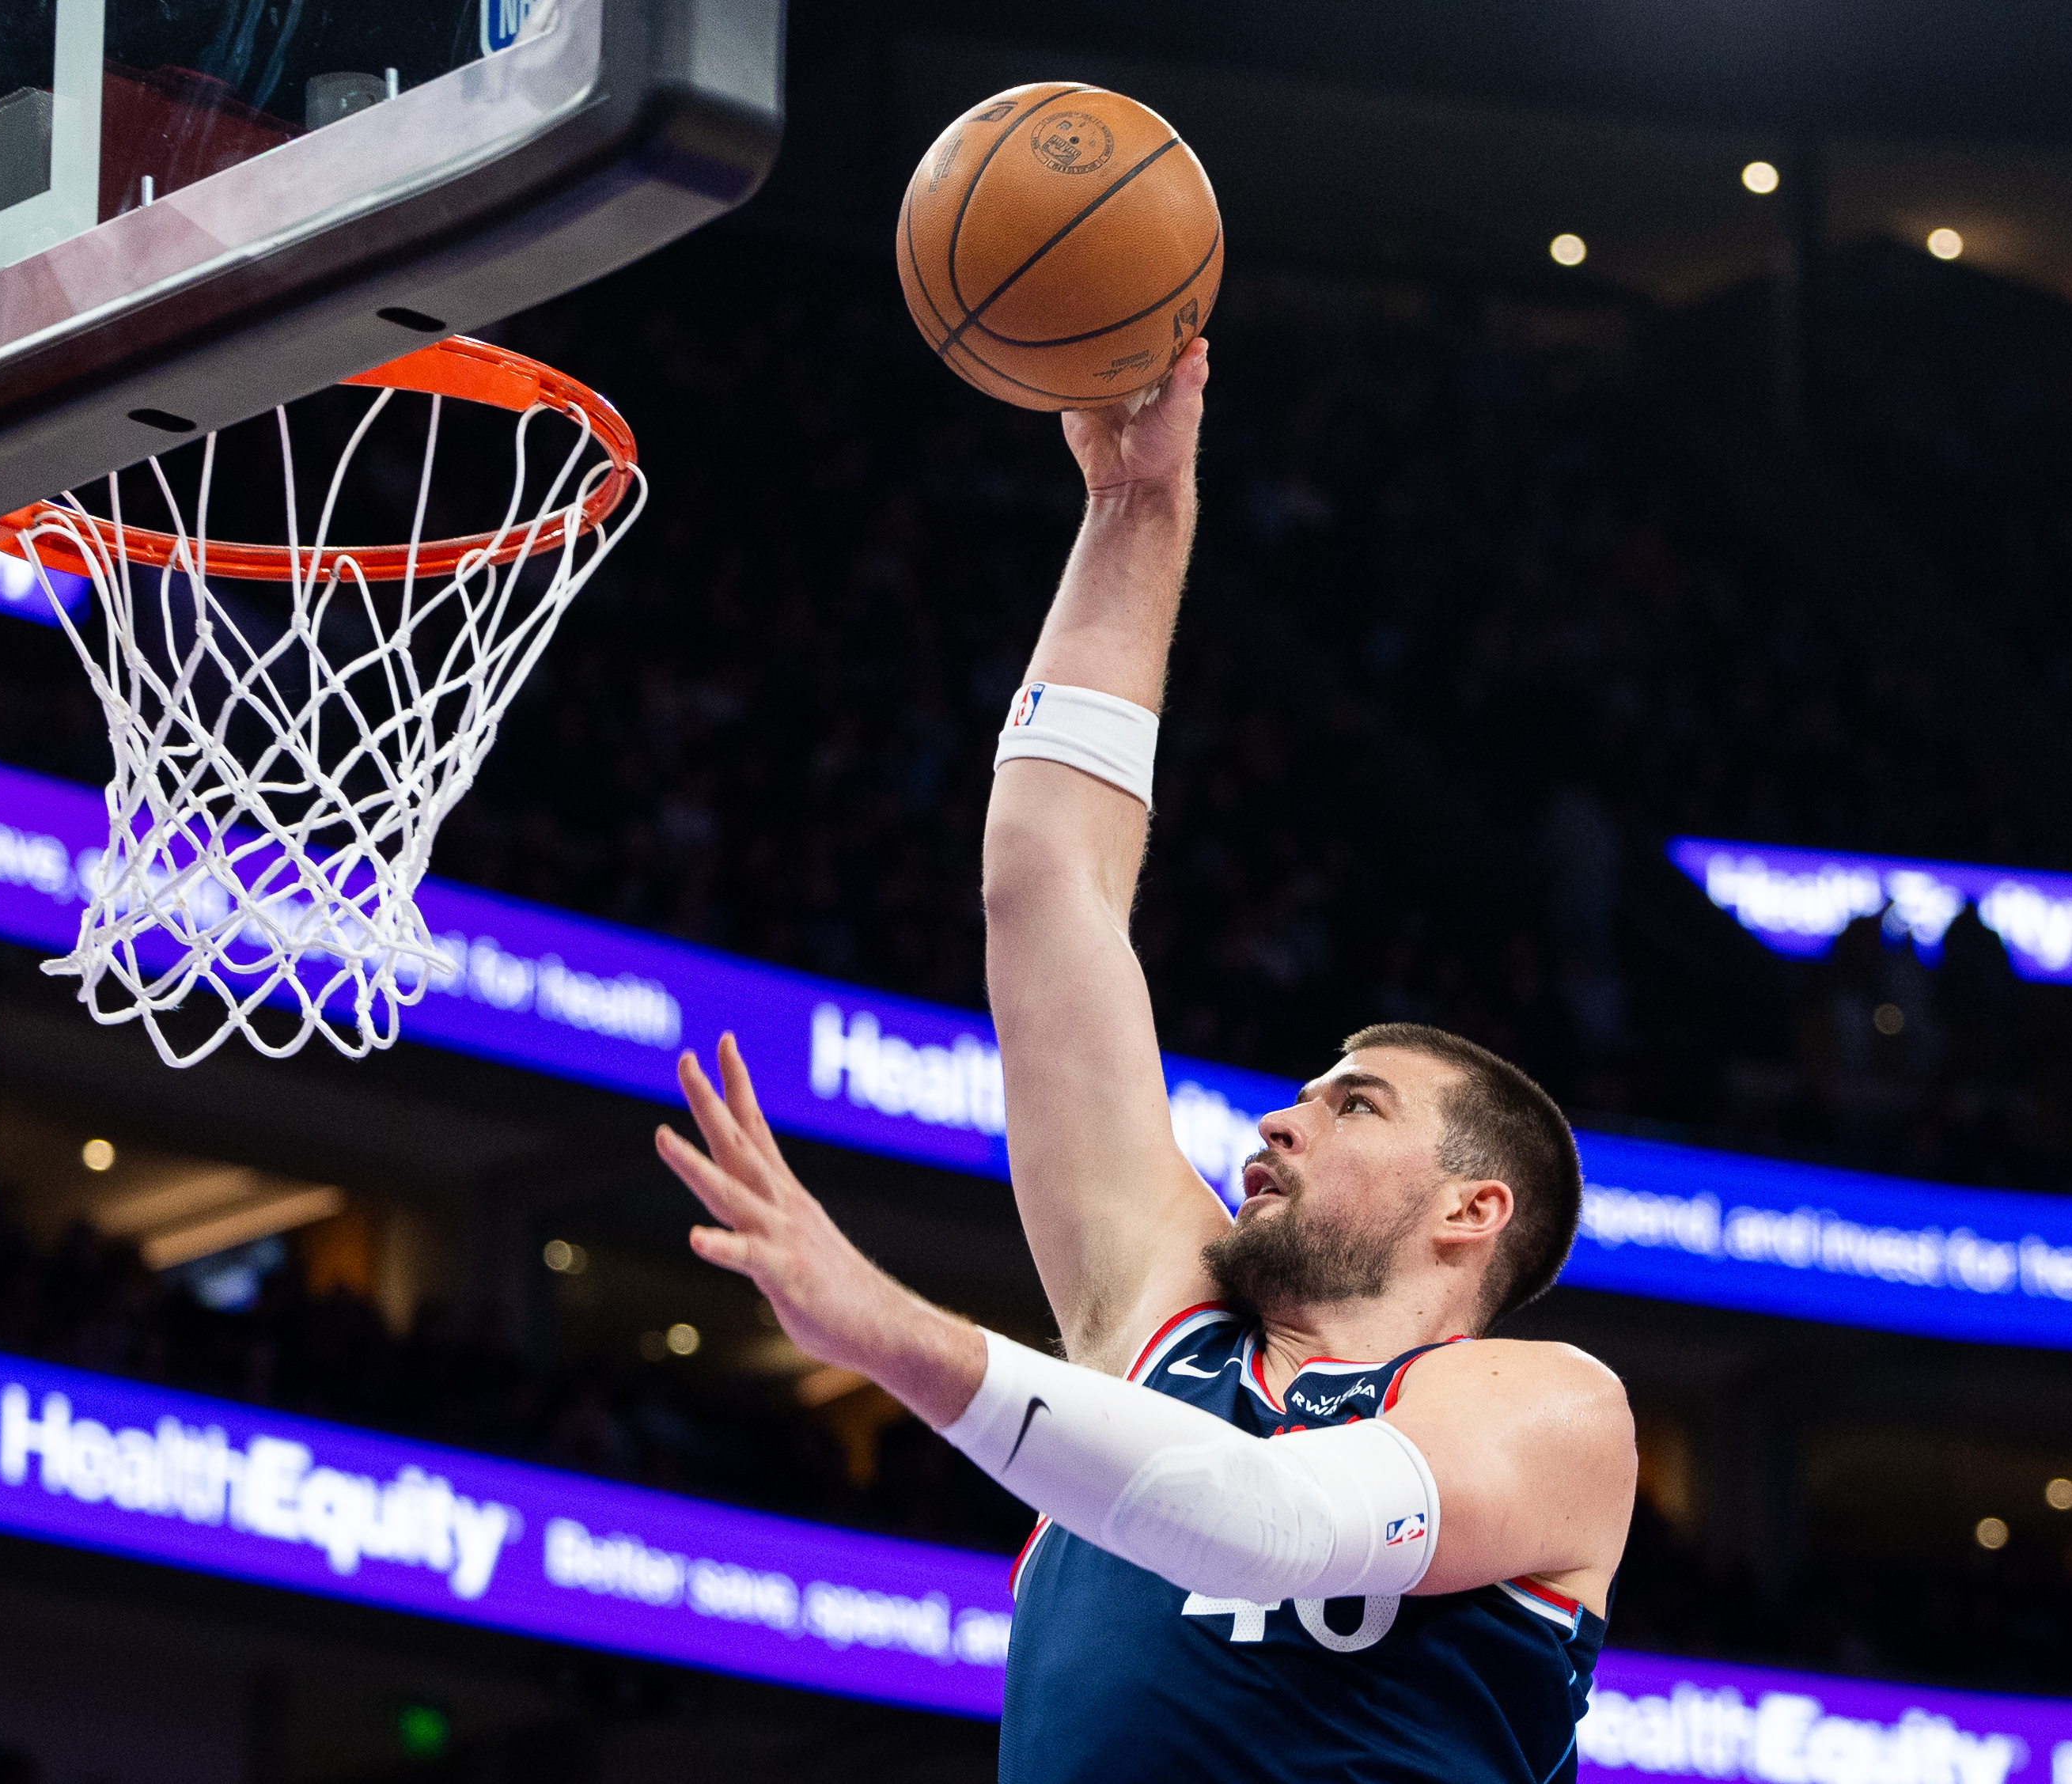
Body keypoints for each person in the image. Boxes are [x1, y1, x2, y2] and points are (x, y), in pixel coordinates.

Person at [653, 336, 1638, 1782]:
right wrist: (1135, 513)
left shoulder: (1551, 1410)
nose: (1277, 1123)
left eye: (1349, 1104)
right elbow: (1044, 888)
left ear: (1470, 1209)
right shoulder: (1162, 1331)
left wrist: (890, 1333)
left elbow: (1271, 1522)